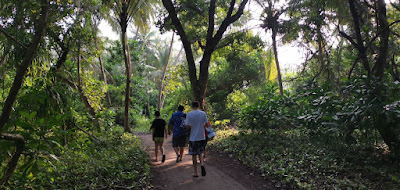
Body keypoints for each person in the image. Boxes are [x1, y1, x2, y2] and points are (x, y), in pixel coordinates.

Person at [184, 101, 208, 177]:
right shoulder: (203, 113)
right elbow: (206, 124)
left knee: (194, 155)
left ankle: (196, 173)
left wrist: (190, 128)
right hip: (202, 136)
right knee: (200, 152)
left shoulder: (189, 114)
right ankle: (202, 164)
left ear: (192, 106)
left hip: (193, 138)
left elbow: (187, 126)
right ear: (198, 106)